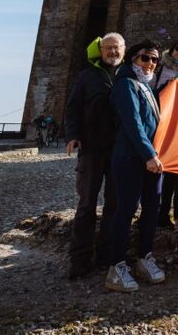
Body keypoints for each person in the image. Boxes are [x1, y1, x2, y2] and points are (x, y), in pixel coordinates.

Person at [105, 40, 166, 292]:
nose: (151, 63)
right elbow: (132, 123)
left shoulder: (147, 87)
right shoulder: (125, 85)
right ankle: (116, 267)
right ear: (133, 59)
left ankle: (144, 257)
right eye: (145, 58)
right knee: (126, 209)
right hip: (131, 157)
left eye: (154, 60)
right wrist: (148, 154)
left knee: (152, 208)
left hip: (151, 160)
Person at [63, 33, 124, 279]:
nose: (112, 52)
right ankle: (79, 260)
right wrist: (73, 135)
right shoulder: (87, 76)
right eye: (108, 48)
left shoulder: (128, 75)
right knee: (87, 203)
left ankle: (106, 254)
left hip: (119, 149)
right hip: (91, 148)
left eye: (116, 48)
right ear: (100, 50)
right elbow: (73, 107)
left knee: (114, 203)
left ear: (123, 50)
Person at [153, 38, 178, 230]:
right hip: (161, 125)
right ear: (172, 50)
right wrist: (167, 86)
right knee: (160, 173)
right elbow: (150, 93)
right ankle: (158, 214)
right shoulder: (159, 68)